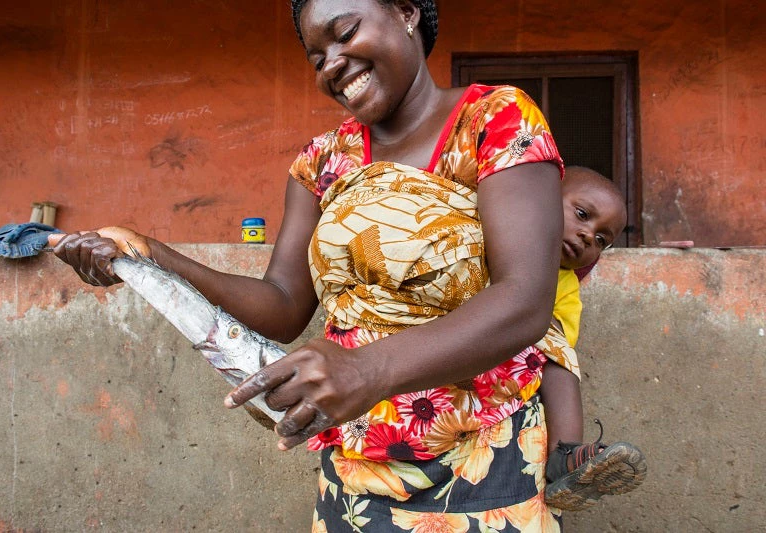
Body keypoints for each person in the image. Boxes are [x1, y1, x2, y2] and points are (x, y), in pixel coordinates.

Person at [51, 1, 594, 530]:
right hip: (356, 462)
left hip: (485, 452)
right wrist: (149, 254)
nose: (331, 63)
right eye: (316, 57)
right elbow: (283, 306)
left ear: (406, 12)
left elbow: (525, 300)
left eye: (346, 32)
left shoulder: (495, 119)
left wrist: (365, 369)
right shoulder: (321, 162)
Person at [538, 166, 647, 511]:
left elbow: (561, 336)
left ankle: (565, 457)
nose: (588, 236)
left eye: (601, 240)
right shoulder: (491, 231)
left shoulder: (565, 285)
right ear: (536, 195)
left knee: (561, 363)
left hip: (520, 349)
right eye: (582, 215)